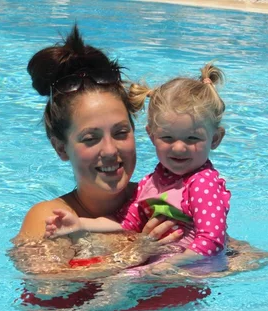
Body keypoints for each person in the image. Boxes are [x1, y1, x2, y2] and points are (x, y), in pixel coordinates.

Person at [10, 25, 268, 311]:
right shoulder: (51, 216)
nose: (111, 151)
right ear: (61, 147)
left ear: (140, 133)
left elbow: (218, 243)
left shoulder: (157, 197)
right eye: (90, 138)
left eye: (121, 132)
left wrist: (240, 258)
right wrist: (136, 253)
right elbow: (47, 287)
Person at [44, 65, 230, 274]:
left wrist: (170, 264)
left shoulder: (203, 183)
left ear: (215, 139)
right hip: (163, 268)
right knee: (118, 277)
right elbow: (125, 223)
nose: (179, 147)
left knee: (120, 278)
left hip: (189, 270)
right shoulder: (152, 182)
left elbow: (212, 241)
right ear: (152, 136)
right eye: (167, 137)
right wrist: (80, 224)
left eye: (193, 138)